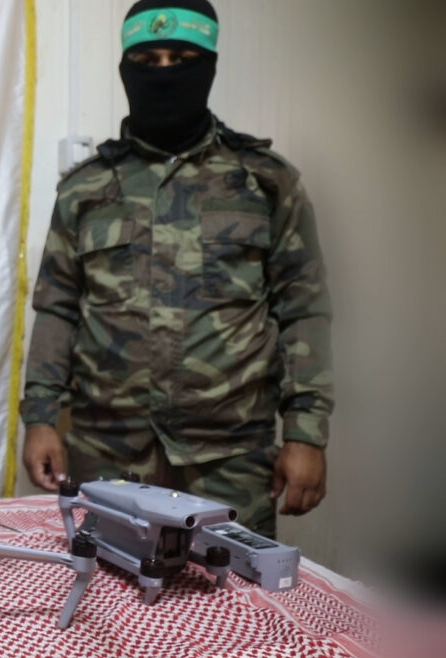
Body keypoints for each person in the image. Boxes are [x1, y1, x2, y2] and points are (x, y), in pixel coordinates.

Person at [20, 0, 332, 538]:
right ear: (126, 69)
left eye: (182, 59)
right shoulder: (85, 188)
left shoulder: (265, 181)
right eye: (148, 60)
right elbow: (56, 309)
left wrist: (307, 433)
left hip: (230, 458)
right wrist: (41, 419)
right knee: (107, 584)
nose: (164, 73)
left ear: (209, 66)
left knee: (232, 588)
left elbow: (304, 311)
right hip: (108, 452)